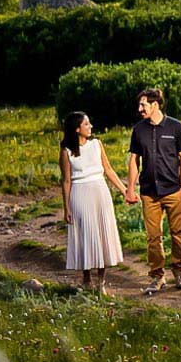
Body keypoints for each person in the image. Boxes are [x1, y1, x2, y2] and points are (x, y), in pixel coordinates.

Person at [126, 85, 181, 292]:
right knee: (153, 237)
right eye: (139, 105)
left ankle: (180, 273)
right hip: (149, 193)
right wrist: (130, 189)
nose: (140, 109)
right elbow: (134, 161)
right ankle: (157, 276)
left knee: (178, 233)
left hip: (173, 190)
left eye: (143, 104)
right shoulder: (138, 130)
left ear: (155, 105)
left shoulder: (176, 127)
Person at [60, 111, 124, 294]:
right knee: (86, 234)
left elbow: (109, 170)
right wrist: (67, 207)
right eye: (86, 124)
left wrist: (124, 190)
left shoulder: (96, 144)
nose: (90, 127)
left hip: (99, 191)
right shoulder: (67, 151)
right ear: (77, 128)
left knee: (102, 233)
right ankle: (86, 279)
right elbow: (66, 180)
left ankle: (101, 282)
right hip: (80, 193)